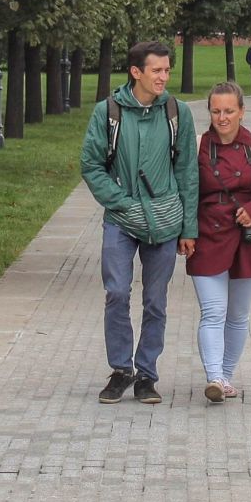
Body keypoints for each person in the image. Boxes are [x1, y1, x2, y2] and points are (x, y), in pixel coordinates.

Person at [80, 40, 197, 406]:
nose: (164, 76)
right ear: (136, 72)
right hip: (121, 220)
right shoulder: (108, 112)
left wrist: (188, 228)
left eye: (167, 70)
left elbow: (188, 173)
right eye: (157, 70)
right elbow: (91, 166)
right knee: (116, 293)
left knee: (155, 301)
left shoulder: (177, 113)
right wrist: (123, 202)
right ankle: (120, 371)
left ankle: (146, 374)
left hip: (164, 223)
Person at [188, 82, 251, 403]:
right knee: (213, 311)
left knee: (238, 315)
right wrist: (185, 232)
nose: (222, 117)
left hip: (248, 238)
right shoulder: (198, 145)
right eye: (216, 111)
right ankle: (214, 376)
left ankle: (226, 375)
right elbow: (186, 192)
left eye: (229, 111)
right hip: (207, 236)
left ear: (242, 111)